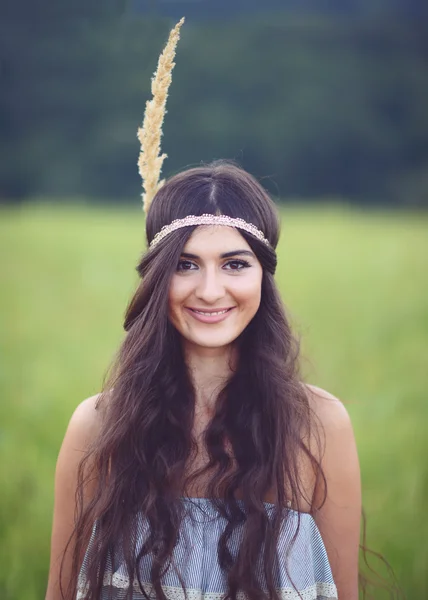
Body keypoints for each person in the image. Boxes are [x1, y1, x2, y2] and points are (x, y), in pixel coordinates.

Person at [45, 20, 361, 600]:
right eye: (186, 265)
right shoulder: (99, 428)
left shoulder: (319, 428)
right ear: (157, 278)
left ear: (264, 277)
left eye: (235, 264)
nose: (210, 290)